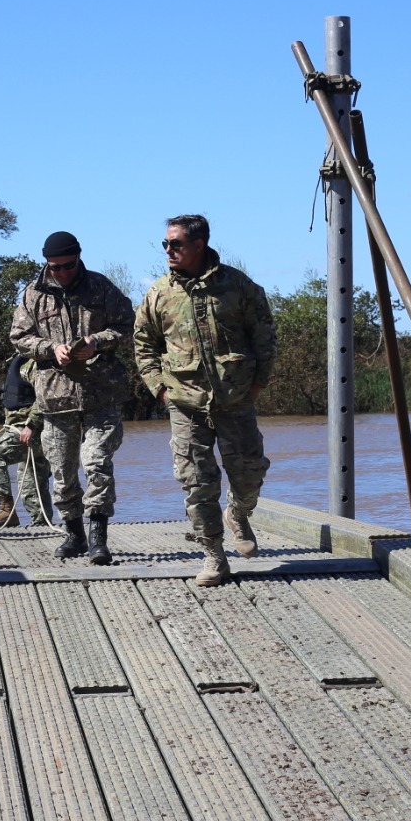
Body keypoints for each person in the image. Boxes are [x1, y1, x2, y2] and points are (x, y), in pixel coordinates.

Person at [133, 214, 275, 585]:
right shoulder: (159, 293)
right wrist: (159, 389)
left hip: (235, 399)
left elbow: (264, 336)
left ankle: (239, 512)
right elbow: (143, 344)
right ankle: (214, 556)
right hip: (184, 403)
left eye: (176, 244)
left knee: (250, 474)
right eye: (165, 244)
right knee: (197, 482)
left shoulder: (237, 286)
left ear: (199, 245)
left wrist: (258, 384)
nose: (168, 250)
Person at [10, 231, 134, 564]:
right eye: (55, 267)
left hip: (101, 394)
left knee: (96, 462)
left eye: (68, 265)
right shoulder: (33, 295)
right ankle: (74, 535)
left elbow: (126, 325)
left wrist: (98, 341)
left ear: (79, 257)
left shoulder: (101, 286)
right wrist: (50, 349)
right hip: (54, 397)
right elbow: (19, 337)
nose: (62, 272)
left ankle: (98, 538)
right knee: (63, 474)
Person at [0, 355, 53, 529]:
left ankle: (6, 510)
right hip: (25, 429)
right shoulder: (19, 360)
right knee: (32, 479)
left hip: (33, 430)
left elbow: (45, 394)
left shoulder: (36, 363)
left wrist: (31, 424)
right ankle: (41, 525)